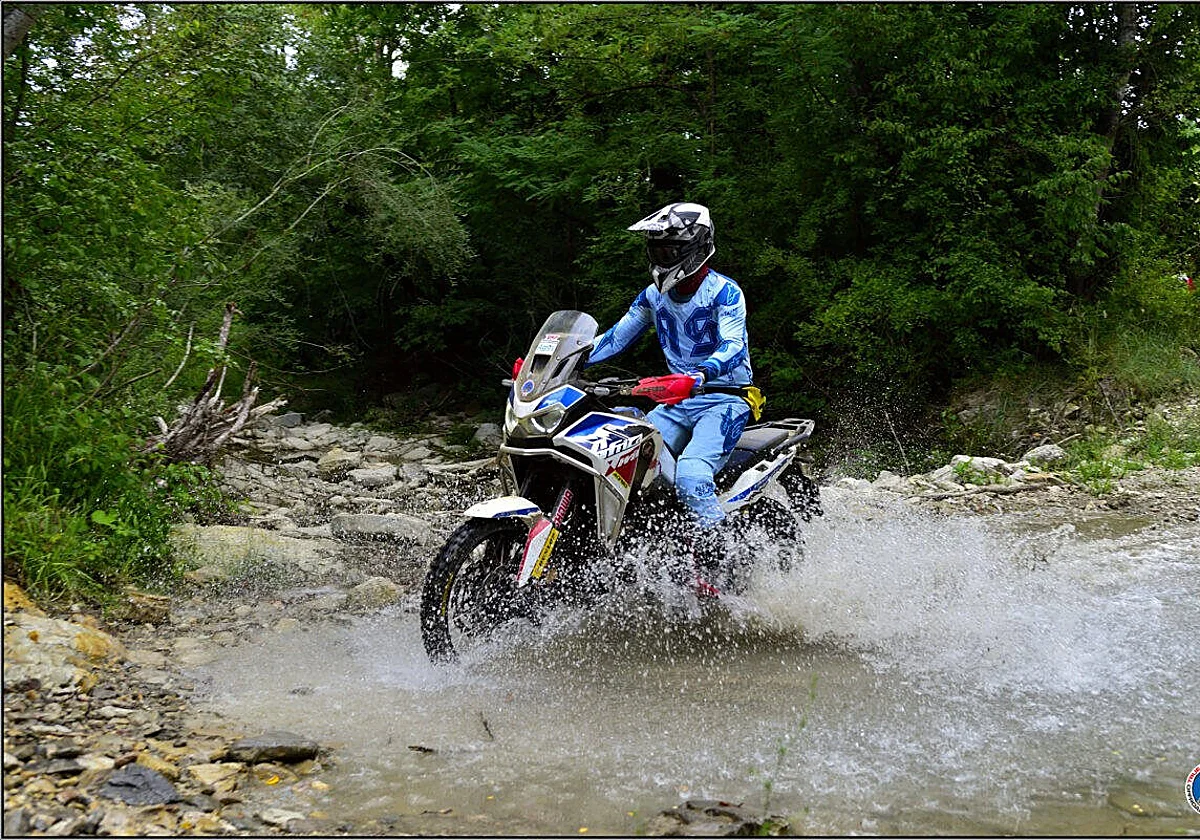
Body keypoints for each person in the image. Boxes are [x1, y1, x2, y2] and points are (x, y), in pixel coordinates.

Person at [585, 202, 763, 547]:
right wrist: (560, 361)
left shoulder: (725, 292)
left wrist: (698, 375)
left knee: (692, 476)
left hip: (725, 399)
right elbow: (615, 338)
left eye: (670, 250)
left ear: (697, 248)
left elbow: (733, 346)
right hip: (675, 401)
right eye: (656, 250)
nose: (662, 257)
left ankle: (721, 558)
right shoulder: (653, 296)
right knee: (628, 463)